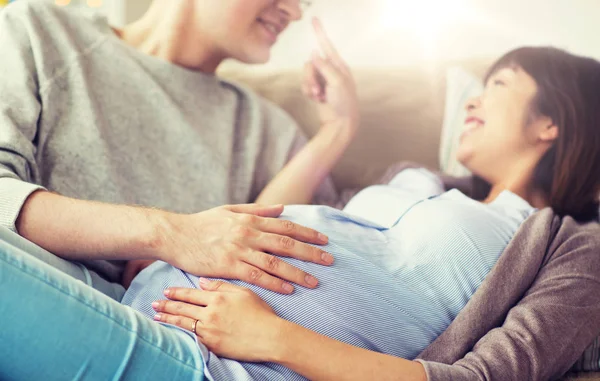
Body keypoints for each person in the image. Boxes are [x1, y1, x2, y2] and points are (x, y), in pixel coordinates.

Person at [140, 46, 600, 380]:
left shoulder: (575, 245)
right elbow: (270, 216)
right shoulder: (414, 179)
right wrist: (339, 127)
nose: (472, 101)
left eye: (498, 84)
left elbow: (486, 378)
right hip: (144, 300)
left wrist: (271, 337)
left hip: (208, 365)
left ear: (551, 121)